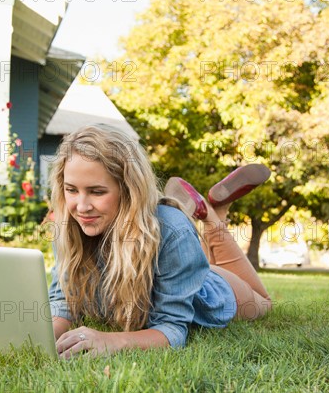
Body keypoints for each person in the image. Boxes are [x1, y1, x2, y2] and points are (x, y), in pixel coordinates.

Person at [48, 125, 272, 358]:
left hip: (214, 292)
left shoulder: (172, 231)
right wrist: (42, 335)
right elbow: (63, 300)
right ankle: (206, 210)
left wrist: (110, 340)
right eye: (71, 190)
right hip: (180, 265)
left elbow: (172, 329)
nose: (81, 206)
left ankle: (212, 215)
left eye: (97, 192)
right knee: (182, 247)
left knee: (264, 302)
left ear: (129, 189)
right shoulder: (69, 225)